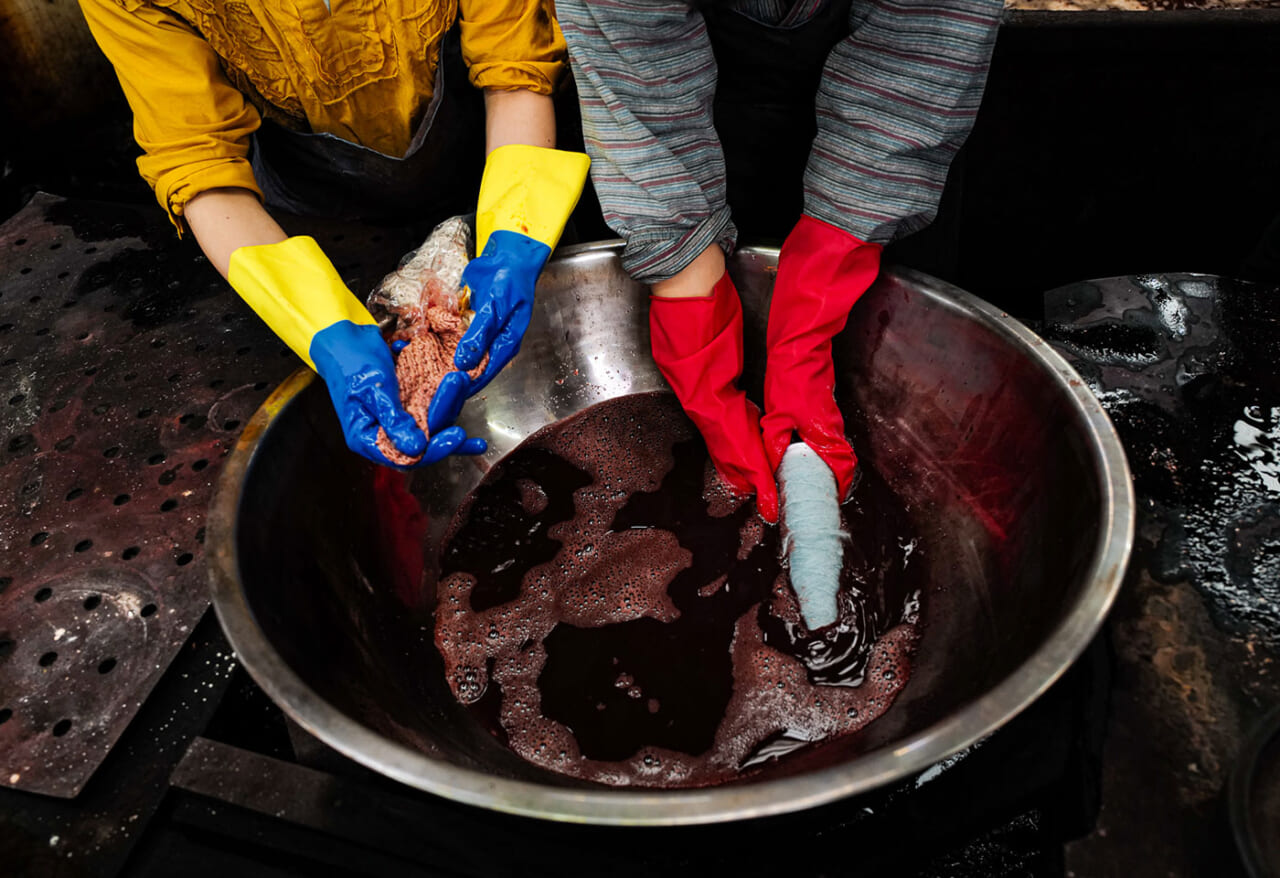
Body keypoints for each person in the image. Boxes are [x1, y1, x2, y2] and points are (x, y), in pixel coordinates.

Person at [79, 0, 589, 466]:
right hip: (312, 219)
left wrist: (516, 230)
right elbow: (199, 162)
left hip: (495, 143)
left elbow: (514, 69)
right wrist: (325, 327)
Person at [554, 0, 1003, 522]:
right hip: (699, 111)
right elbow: (637, 64)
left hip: (894, 140)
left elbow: (922, 43)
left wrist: (806, 338)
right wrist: (692, 313)